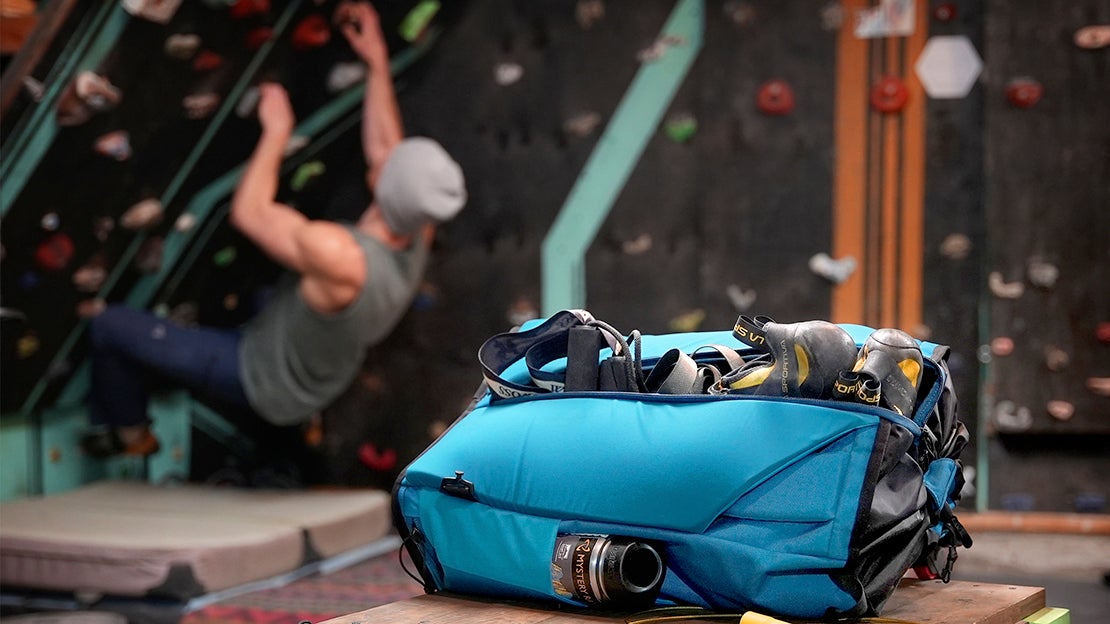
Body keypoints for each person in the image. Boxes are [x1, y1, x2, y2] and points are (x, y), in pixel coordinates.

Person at [80, 1, 466, 457]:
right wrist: (376, 59)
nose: (384, 155)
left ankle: (131, 435)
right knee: (255, 295)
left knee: (107, 326)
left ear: (382, 186)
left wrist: (275, 132)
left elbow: (251, 214)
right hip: (314, 354)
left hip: (264, 379)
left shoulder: (343, 256)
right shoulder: (416, 225)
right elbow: (386, 149)